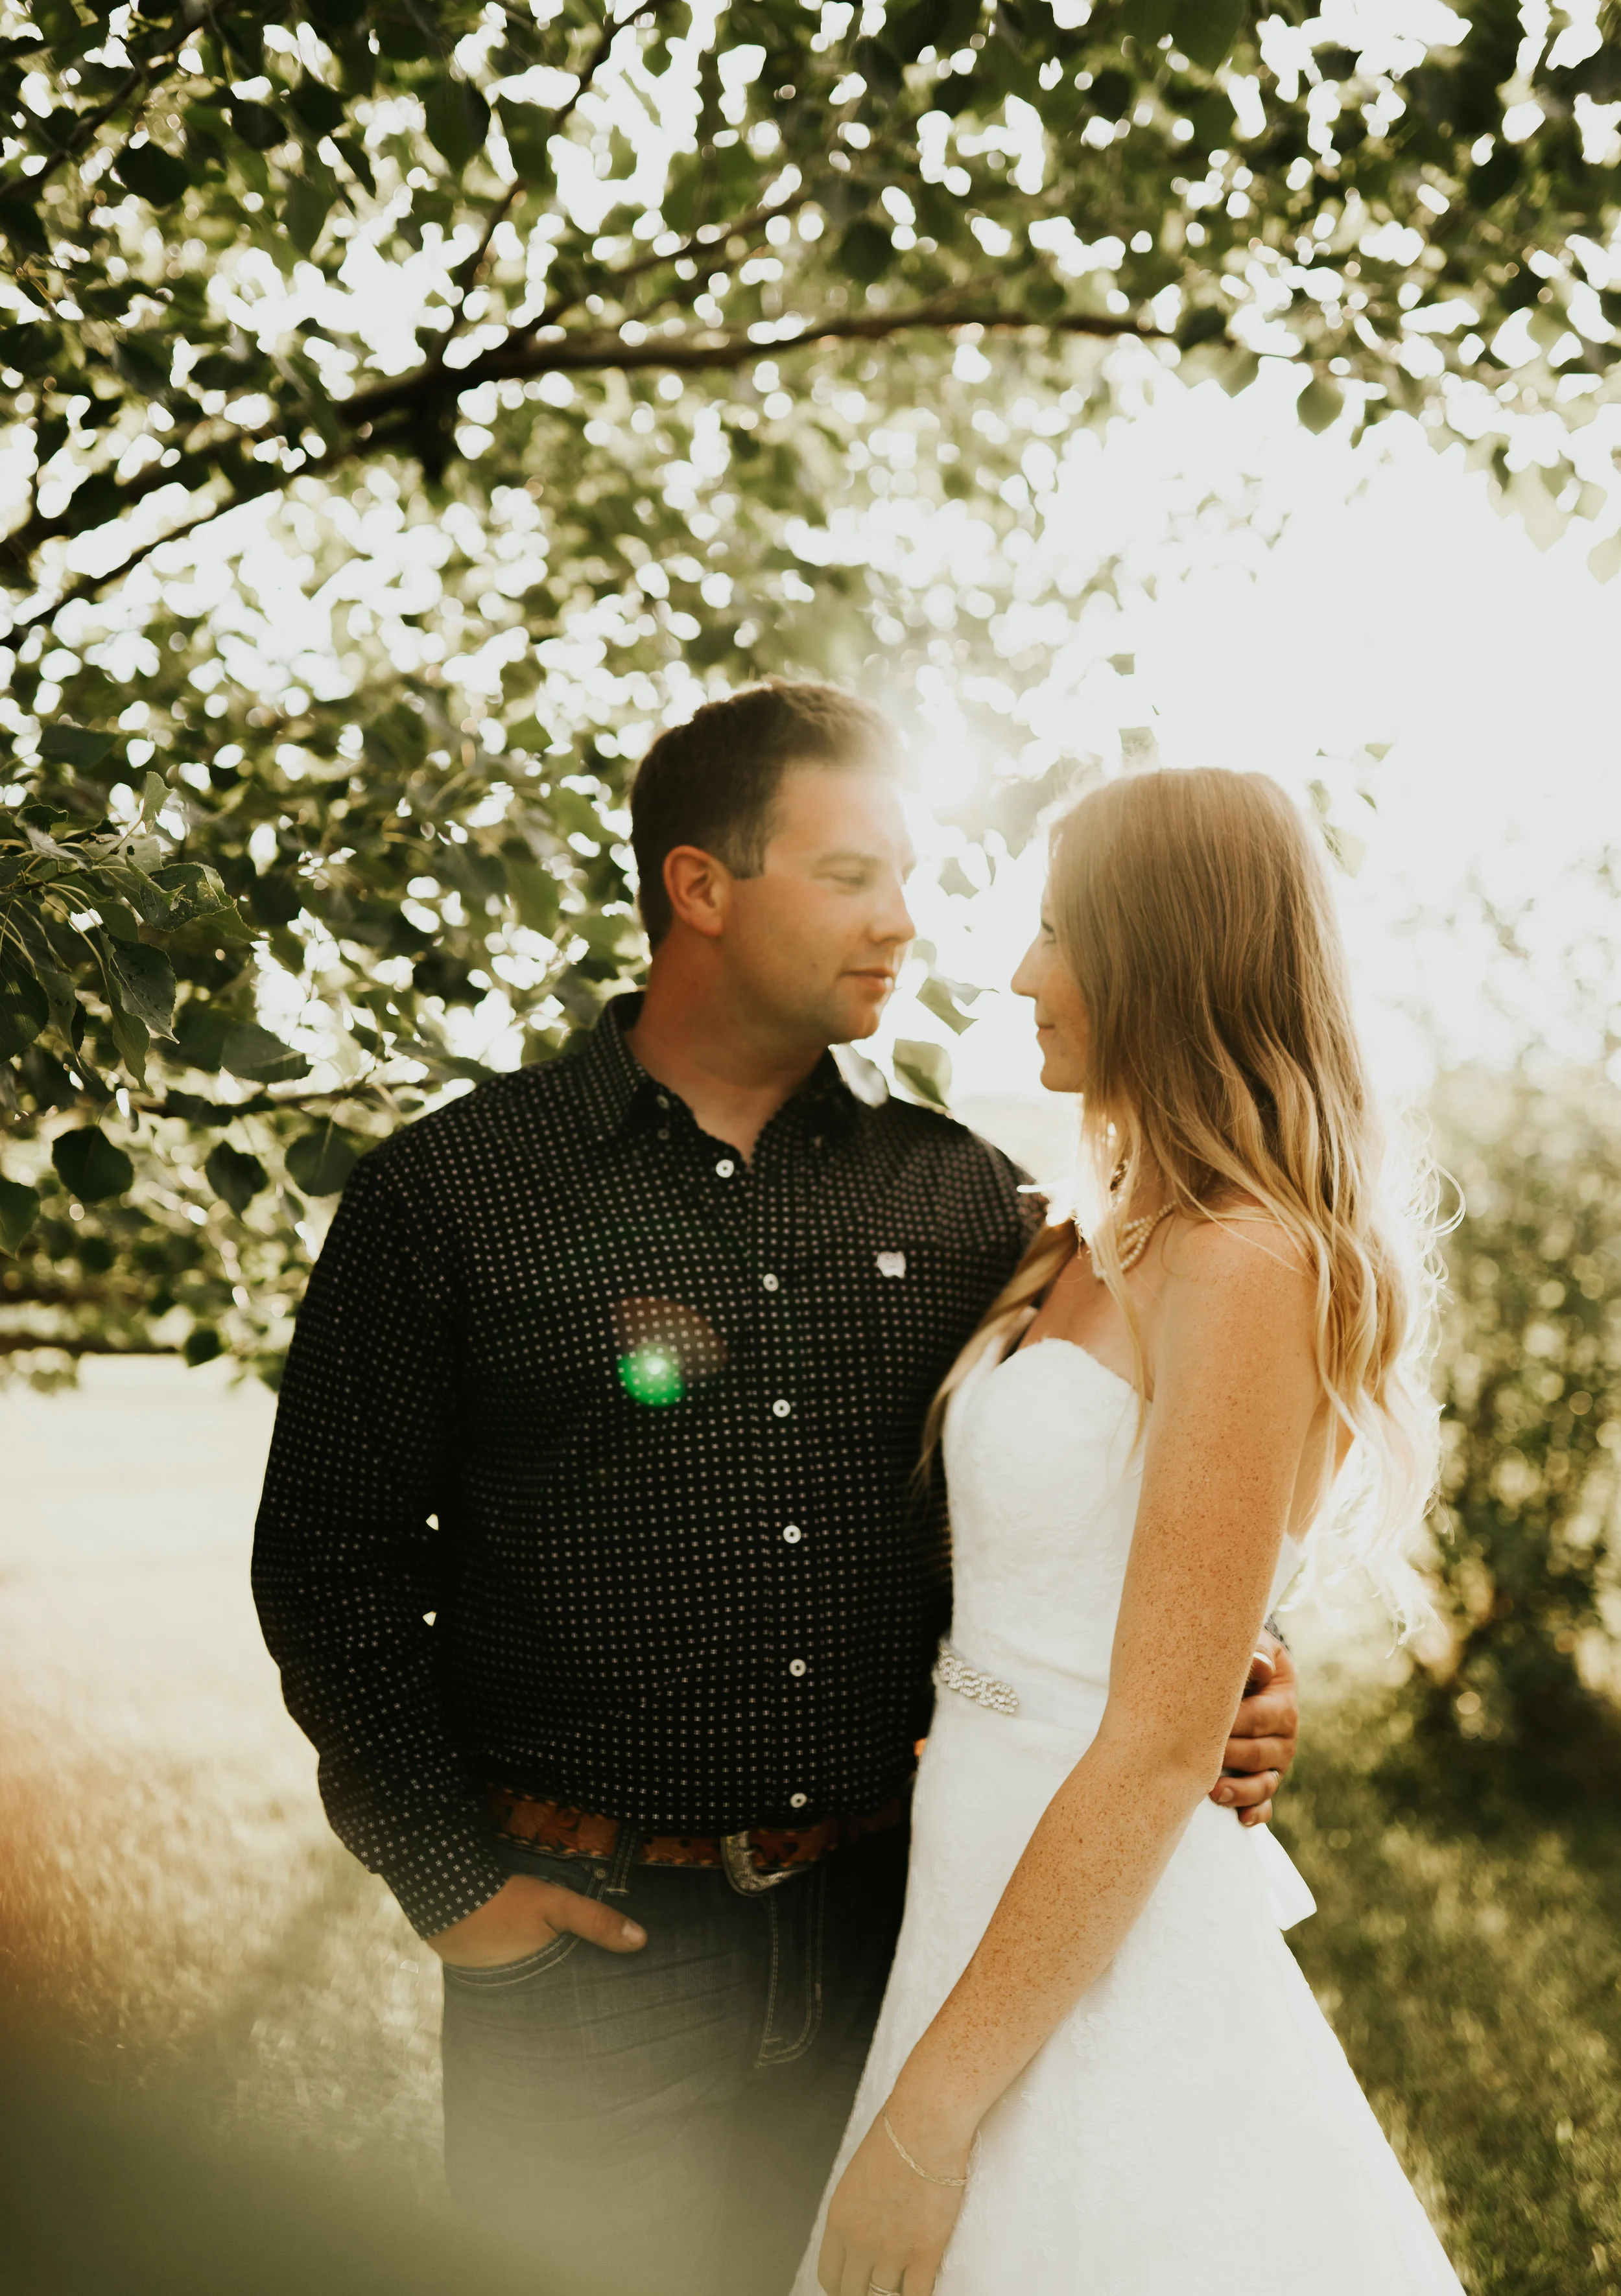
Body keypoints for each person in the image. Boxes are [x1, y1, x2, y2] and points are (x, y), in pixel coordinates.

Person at [251, 688, 1298, 2296]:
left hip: (898, 1925)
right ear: (700, 888)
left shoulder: (960, 1199)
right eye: (853, 874)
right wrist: (457, 1886)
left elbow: (1079, 1491)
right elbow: (328, 1563)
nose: (905, 923)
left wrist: (1238, 1681)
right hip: (592, 1948)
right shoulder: (452, 1197)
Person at [798, 766, 1462, 2296]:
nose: (1022, 972)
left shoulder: (1244, 1262)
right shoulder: (1089, 1231)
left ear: (1170, 954)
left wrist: (927, 2125)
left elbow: (1163, 1736)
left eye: (1058, 931)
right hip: (972, 1868)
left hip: (1096, 1918)